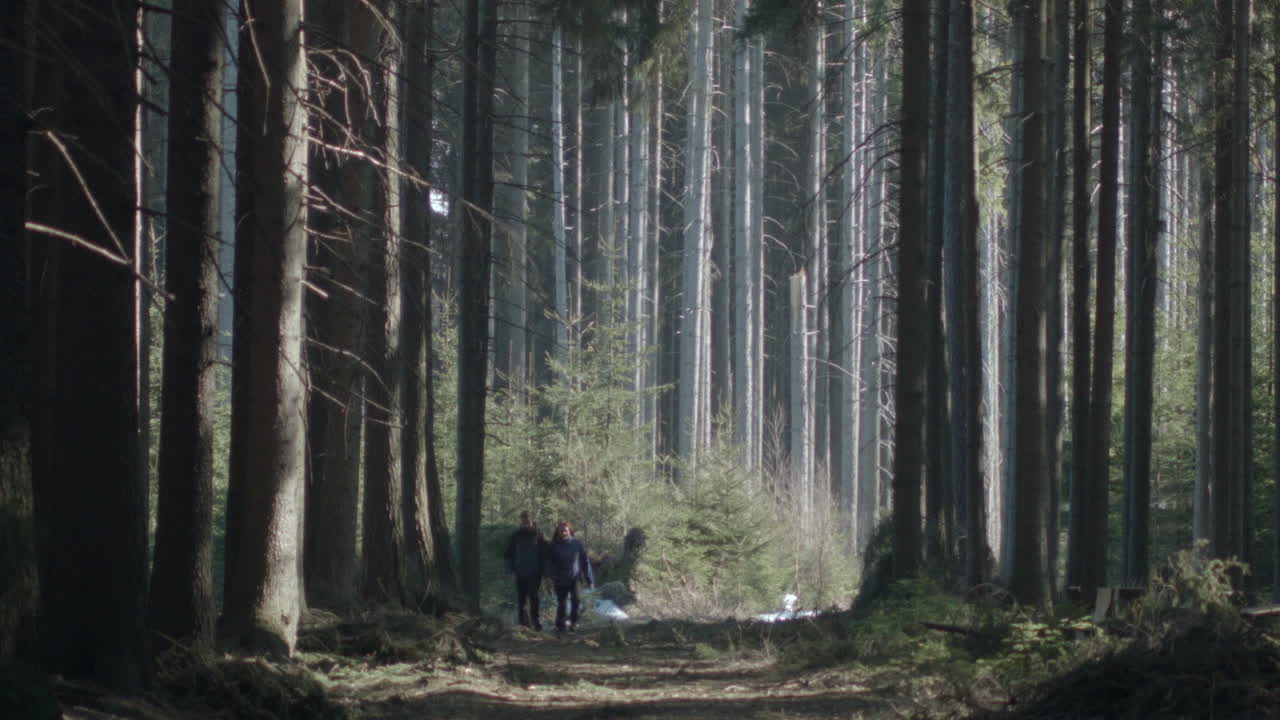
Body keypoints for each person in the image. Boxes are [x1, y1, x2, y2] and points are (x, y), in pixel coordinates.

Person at [546, 520, 593, 632]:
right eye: (561, 530)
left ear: (569, 531)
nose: (563, 532)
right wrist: (549, 578)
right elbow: (548, 563)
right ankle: (560, 626)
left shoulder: (577, 544)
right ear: (557, 532)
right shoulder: (553, 545)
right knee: (562, 603)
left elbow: (585, 561)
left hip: (575, 578)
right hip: (559, 578)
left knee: (576, 601)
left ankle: (573, 623)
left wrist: (589, 579)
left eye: (565, 530)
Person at [503, 511, 547, 630]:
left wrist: (545, 572)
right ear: (520, 522)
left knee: (534, 597)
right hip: (520, 572)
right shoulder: (516, 535)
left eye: (527, 521)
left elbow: (545, 554)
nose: (525, 523)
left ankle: (536, 622)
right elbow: (509, 554)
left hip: (535, 572)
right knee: (521, 599)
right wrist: (510, 570)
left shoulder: (538, 535)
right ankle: (523, 624)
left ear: (532, 522)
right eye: (523, 521)